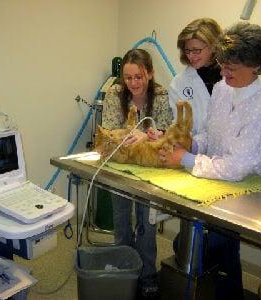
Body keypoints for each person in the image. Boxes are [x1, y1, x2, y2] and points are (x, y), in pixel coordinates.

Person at [161, 22, 261, 299]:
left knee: (202, 246)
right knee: (217, 252)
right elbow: (212, 136)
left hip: (248, 190)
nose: (224, 73)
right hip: (218, 181)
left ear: (256, 67)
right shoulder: (223, 89)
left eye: (232, 68)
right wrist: (193, 143)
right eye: (223, 65)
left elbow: (235, 168)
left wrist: (187, 158)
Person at [102, 48, 173, 299]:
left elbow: (168, 135)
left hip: (149, 168)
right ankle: (124, 271)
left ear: (150, 74)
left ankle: (147, 275)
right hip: (120, 166)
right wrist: (124, 135)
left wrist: (151, 135)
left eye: (139, 77)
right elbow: (108, 132)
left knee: (146, 224)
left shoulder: (162, 96)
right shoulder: (114, 94)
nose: (133, 83)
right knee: (121, 222)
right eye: (128, 78)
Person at [169, 18, 222, 135]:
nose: (190, 56)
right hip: (194, 150)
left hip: (230, 150)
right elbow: (180, 127)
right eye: (187, 50)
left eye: (196, 50)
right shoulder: (178, 83)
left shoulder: (231, 77)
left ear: (213, 46)